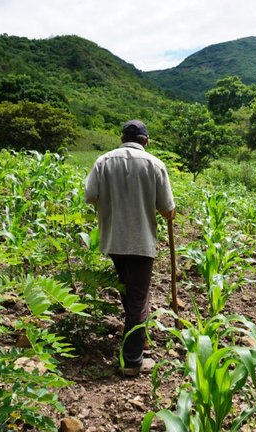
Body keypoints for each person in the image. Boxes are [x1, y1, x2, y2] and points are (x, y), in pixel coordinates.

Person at [84, 119, 175, 377]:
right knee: (137, 298)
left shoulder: (103, 161)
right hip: (141, 242)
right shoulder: (155, 164)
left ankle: (138, 338)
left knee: (128, 290)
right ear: (145, 140)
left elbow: (90, 196)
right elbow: (167, 209)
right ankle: (133, 360)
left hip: (113, 240)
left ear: (122, 138)